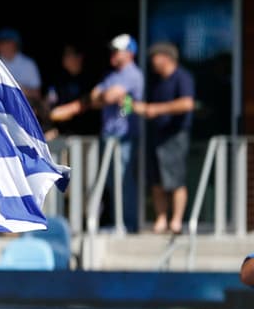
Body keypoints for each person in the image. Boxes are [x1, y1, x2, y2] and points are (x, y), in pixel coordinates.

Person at [50, 33, 145, 231]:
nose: (112, 54)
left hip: (124, 136)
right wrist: (104, 96)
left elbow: (107, 96)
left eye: (116, 51)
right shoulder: (112, 75)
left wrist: (104, 96)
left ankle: (128, 224)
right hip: (109, 135)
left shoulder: (132, 73)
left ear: (129, 53)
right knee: (111, 181)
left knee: (124, 180)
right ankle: (117, 222)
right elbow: (95, 97)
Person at [133, 41, 195, 235]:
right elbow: (148, 107)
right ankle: (161, 219)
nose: (152, 61)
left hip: (175, 135)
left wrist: (157, 109)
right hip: (156, 136)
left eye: (155, 57)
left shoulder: (182, 77)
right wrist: (133, 106)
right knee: (157, 181)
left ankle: (176, 221)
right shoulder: (157, 82)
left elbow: (187, 103)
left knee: (176, 179)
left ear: (166, 57)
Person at [0, 28, 42, 103]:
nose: (5, 46)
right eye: (1, 43)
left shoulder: (28, 64)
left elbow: (37, 94)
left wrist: (19, 90)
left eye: (8, 42)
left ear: (16, 44)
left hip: (24, 105)